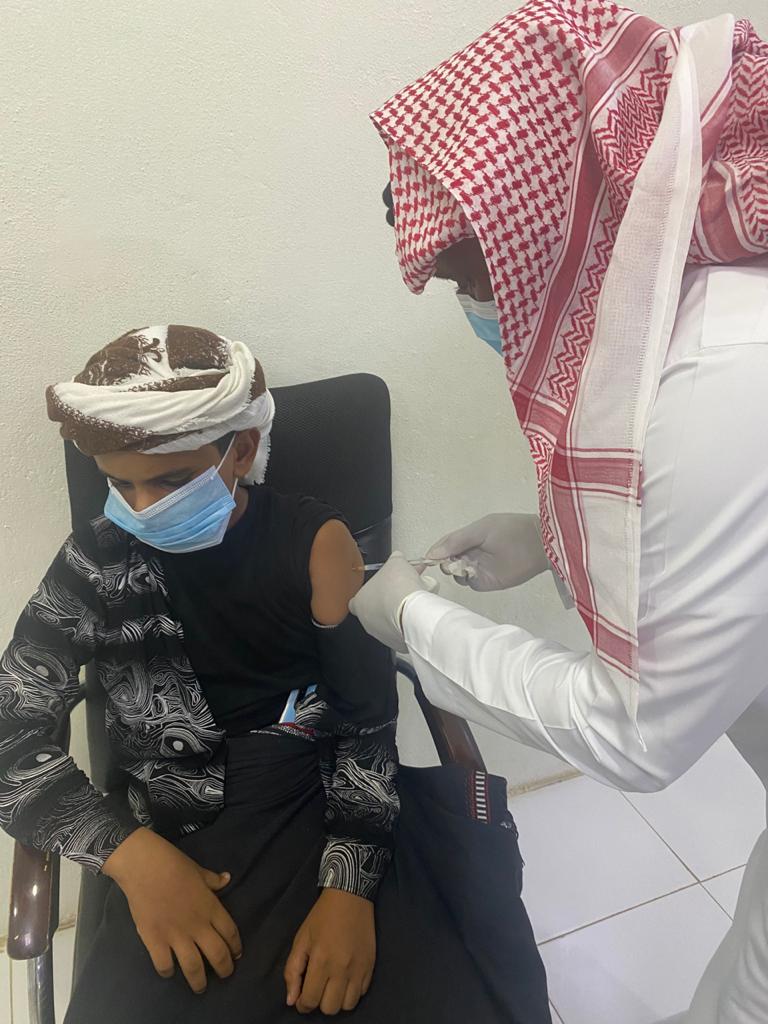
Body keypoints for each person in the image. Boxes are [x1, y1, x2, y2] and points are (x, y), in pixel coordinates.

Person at [350, 2, 768, 1021]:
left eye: (475, 281)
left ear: (556, 223)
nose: (480, 313)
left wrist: (415, 621)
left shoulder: (725, 379)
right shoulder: (693, 285)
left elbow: (635, 737)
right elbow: (733, 546)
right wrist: (553, 541)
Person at [0, 324, 551, 1023]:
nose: (141, 509)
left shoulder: (317, 545)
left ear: (242, 450)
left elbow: (366, 723)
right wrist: (132, 858)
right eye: (119, 484)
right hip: (172, 830)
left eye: (170, 480)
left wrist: (349, 887)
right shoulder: (94, 563)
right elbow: (11, 728)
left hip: (324, 803)